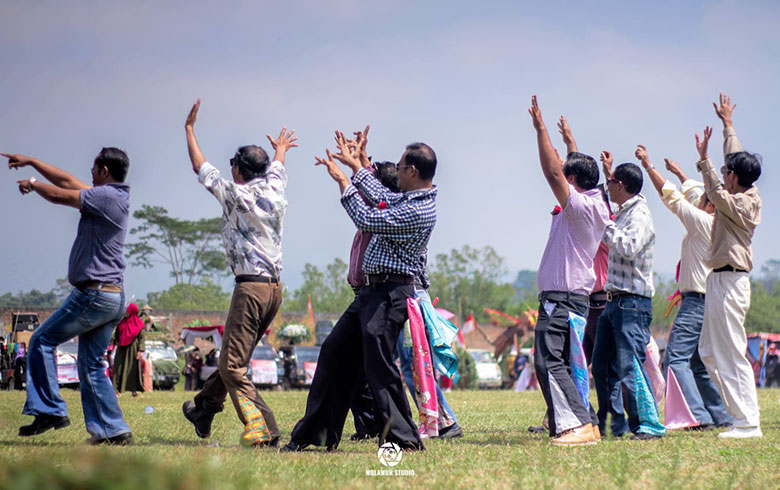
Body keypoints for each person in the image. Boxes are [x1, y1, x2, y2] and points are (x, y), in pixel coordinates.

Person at [283, 130, 438, 452]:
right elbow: (382, 193)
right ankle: (317, 434)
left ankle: (404, 440)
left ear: (411, 171)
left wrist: (343, 179)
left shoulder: (419, 210)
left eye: (400, 165)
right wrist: (357, 166)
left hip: (390, 295)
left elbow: (369, 218)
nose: (396, 170)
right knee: (335, 352)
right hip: (372, 294)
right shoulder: (409, 198)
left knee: (378, 368)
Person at [180, 99, 297, 448]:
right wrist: (280, 150)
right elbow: (277, 167)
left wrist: (189, 129)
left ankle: (264, 427)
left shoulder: (236, 194)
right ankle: (204, 408)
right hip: (274, 290)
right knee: (236, 356)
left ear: (237, 170)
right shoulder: (275, 188)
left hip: (251, 289)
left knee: (232, 366)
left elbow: (202, 168)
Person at [4, 147, 134, 445]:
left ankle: (49, 410)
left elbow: (60, 195)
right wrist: (34, 160)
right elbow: (66, 181)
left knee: (40, 341)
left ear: (104, 170)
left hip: (95, 294)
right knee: (90, 364)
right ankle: (113, 431)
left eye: (93, 167)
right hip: (112, 296)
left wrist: (33, 184)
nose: (89, 172)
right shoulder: (113, 196)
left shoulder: (105, 197)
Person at [528, 96, 609, 446]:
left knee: (548, 361)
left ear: (572, 179)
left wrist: (541, 129)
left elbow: (553, 171)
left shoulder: (579, 206)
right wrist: (569, 141)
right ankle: (586, 423)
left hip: (561, 299)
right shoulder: (593, 203)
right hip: (570, 298)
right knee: (564, 362)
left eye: (567, 173)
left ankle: (577, 425)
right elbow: (572, 171)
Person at [636, 145, 732, 430]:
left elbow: (674, 198)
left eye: (702, 198)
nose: (697, 199)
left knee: (675, 360)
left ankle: (698, 417)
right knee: (697, 364)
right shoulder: (719, 221)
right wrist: (679, 171)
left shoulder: (702, 221)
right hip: (710, 298)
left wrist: (648, 165)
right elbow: (691, 193)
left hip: (696, 301)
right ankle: (720, 416)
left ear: (709, 205)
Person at [695, 93, 762, 438]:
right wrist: (728, 126)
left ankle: (747, 423)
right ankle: (742, 416)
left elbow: (717, 193)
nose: (723, 174)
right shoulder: (740, 189)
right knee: (708, 351)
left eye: (726, 172)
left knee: (731, 353)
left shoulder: (741, 204)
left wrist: (704, 161)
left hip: (731, 282)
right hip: (719, 280)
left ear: (734, 178)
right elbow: (733, 162)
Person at [591, 152, 665, 440]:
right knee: (602, 366)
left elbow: (629, 246)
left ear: (620, 184)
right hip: (616, 302)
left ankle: (648, 425)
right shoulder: (625, 211)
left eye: (610, 182)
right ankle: (614, 425)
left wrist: (603, 224)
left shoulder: (640, 215)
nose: (607, 187)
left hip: (632, 303)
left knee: (630, 364)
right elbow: (611, 216)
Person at [112, 303, 146, 397]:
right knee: (118, 368)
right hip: (121, 348)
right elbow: (117, 336)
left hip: (133, 349)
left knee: (133, 369)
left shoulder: (139, 323)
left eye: (128, 310)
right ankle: (116, 391)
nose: (126, 312)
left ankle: (134, 391)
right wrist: (115, 343)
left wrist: (140, 350)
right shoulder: (121, 322)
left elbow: (142, 338)